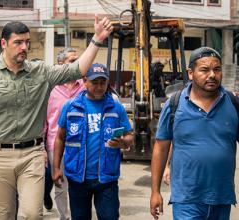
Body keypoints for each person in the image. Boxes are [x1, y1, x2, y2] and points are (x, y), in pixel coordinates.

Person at [0, 15, 114, 219]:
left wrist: (97, 39)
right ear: (4, 43)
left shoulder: (41, 72)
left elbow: (77, 69)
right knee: (5, 214)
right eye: (18, 42)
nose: (24, 47)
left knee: (32, 214)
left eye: (27, 42)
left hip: (32, 154)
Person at [150, 47, 238, 220]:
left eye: (217, 69)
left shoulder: (233, 103)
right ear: (191, 73)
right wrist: (155, 191)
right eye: (204, 70)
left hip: (222, 197)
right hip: (187, 200)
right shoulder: (174, 104)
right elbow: (160, 148)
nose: (212, 74)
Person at [52, 63, 133, 220]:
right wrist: (55, 168)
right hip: (77, 178)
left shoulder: (116, 107)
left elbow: (129, 135)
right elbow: (60, 138)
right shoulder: (71, 106)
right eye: (95, 82)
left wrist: (123, 143)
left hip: (106, 179)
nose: (99, 87)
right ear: (85, 81)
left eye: (103, 83)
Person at [44, 47, 83, 219]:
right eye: (72, 61)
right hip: (55, 145)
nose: (77, 64)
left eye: (77, 60)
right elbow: (44, 120)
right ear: (61, 64)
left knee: (79, 184)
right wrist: (41, 148)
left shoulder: (84, 87)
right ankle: (64, 217)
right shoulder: (50, 89)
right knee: (60, 184)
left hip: (81, 145)